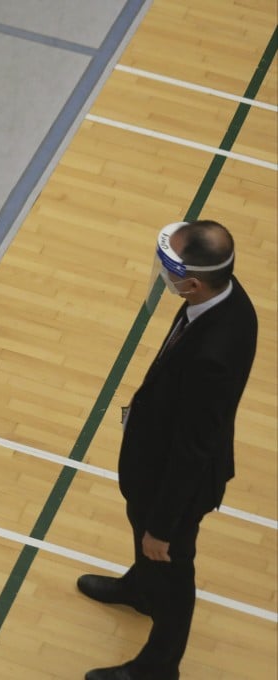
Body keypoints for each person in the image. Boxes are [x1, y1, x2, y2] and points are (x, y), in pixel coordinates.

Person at [77, 220, 257, 680]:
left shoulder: (214, 352)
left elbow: (192, 451)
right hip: (155, 463)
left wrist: (162, 526)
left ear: (193, 283)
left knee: (172, 569)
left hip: (174, 486)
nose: (166, 277)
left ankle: (159, 666)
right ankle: (140, 591)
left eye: (172, 271)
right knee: (145, 543)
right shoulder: (221, 298)